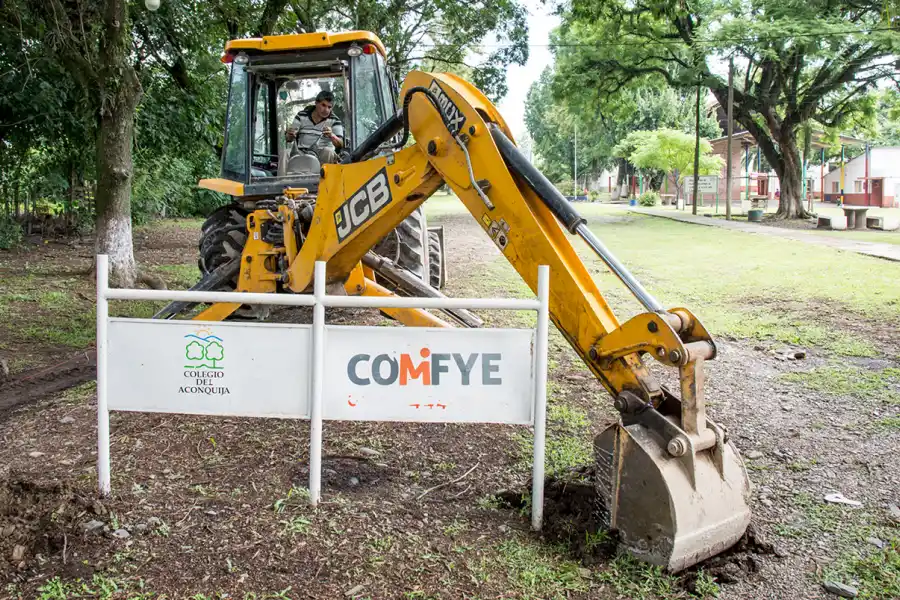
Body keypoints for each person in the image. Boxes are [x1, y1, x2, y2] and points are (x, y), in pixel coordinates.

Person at [286, 90, 344, 164]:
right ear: (316, 103)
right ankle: (283, 176)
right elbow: (289, 139)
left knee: (329, 151)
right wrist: (290, 135)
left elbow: (340, 144)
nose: (326, 110)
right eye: (323, 105)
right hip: (301, 153)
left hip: (321, 154)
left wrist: (332, 135)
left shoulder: (335, 120)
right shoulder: (301, 115)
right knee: (285, 153)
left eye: (329, 107)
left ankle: (325, 175)